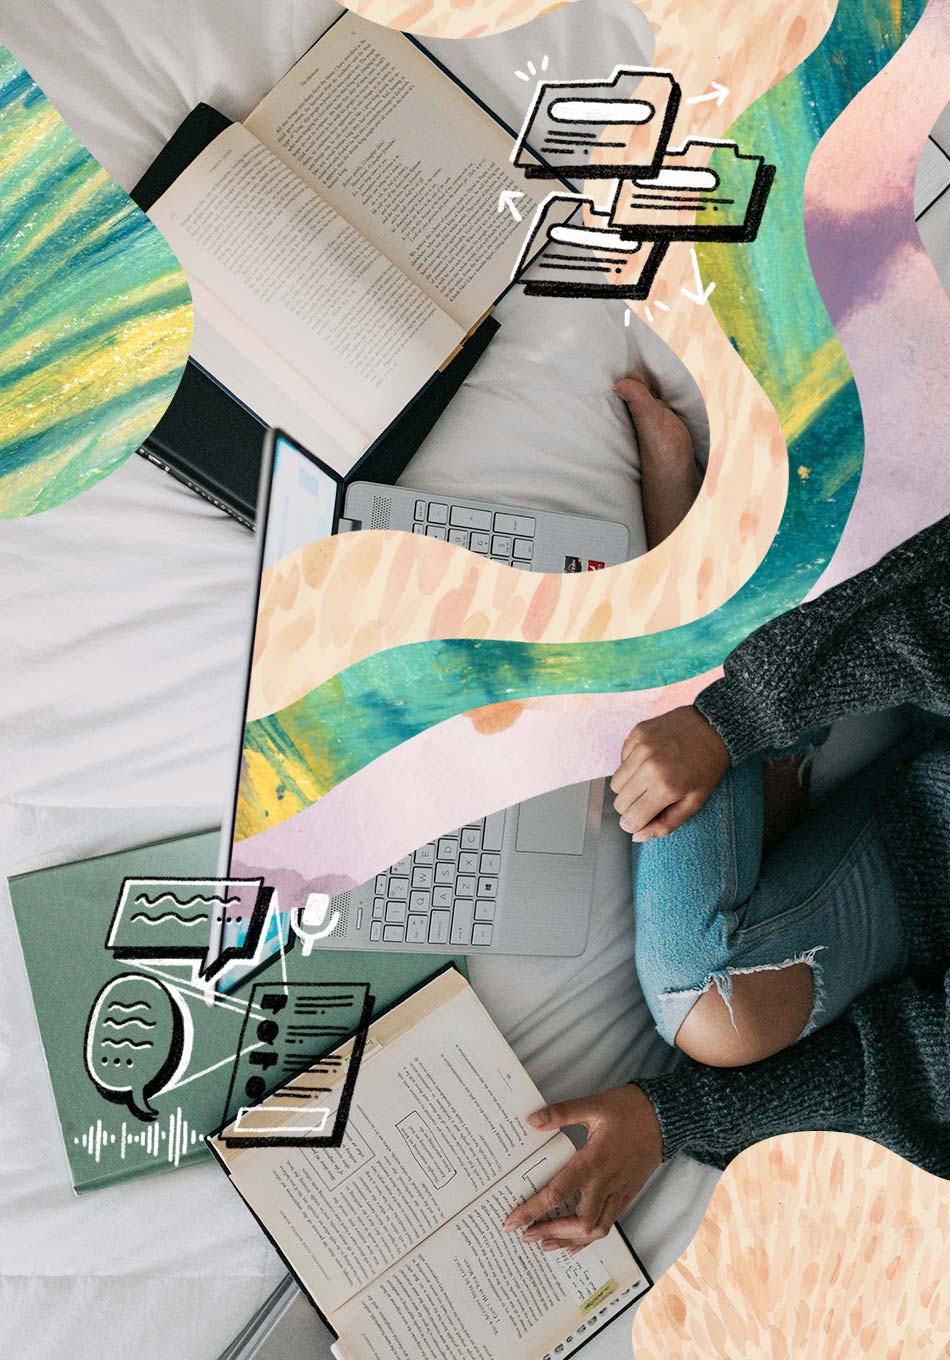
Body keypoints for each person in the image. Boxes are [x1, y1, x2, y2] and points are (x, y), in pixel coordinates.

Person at [501, 380, 950, 1253]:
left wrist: (674, 1119)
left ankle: (717, 624)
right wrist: (730, 718)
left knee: (714, 1006)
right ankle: (702, 585)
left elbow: (915, 1068)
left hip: (926, 863)